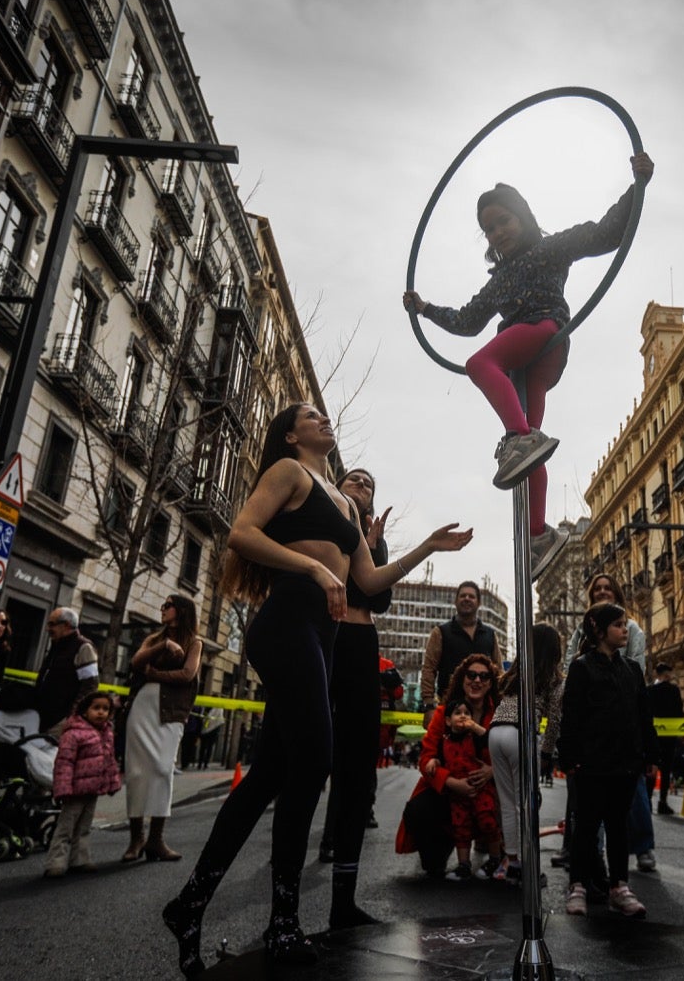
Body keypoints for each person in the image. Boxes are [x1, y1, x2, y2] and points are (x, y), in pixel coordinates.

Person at [162, 402, 470, 974]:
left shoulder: (346, 502)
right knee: (315, 760)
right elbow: (242, 535)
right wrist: (310, 569)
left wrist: (426, 548)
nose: (323, 420)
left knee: (269, 777)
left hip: (321, 640)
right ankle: (282, 920)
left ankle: (191, 903)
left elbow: (369, 581)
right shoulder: (289, 473)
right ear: (289, 433)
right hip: (285, 626)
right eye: (310, 415)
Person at [404, 153, 655, 576]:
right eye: (489, 228)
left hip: (542, 329)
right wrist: (426, 308)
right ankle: (538, 533)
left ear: (522, 216)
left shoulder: (549, 248)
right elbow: (467, 320)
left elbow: (604, 233)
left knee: (480, 364)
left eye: (504, 221)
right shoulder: (497, 281)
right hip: (529, 361)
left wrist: (638, 185)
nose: (497, 232)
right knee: (529, 444)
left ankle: (520, 439)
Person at [319, 467, 392, 926]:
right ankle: (285, 894)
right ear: (336, 484)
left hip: (361, 644)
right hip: (320, 639)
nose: (362, 486)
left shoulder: (373, 538)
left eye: (369, 483)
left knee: (357, 764)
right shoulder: (320, 514)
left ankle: (343, 898)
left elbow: (378, 601)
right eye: (354, 480)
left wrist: (376, 543)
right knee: (306, 756)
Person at [559, 602, 657, 920]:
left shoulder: (632, 670)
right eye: (617, 624)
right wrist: (569, 757)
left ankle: (619, 887)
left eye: (625, 623)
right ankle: (578, 886)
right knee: (586, 826)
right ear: (599, 631)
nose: (624, 629)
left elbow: (644, 715)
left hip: (625, 762)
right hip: (591, 763)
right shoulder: (582, 667)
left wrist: (649, 755)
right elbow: (571, 716)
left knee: (618, 826)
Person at [398, 652, 503, 878]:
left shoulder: (501, 714)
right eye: (471, 675)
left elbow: (513, 755)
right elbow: (425, 759)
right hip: (450, 793)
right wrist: (452, 782)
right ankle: (445, 845)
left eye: (484, 677)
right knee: (419, 813)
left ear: (491, 682)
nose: (477, 680)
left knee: (505, 804)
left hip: (492, 790)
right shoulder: (443, 713)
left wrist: (493, 771)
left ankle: (498, 852)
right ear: (461, 678)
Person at [123, 593, 202, 862]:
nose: (163, 609)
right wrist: (163, 646)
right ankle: (136, 839)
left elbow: (188, 674)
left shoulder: (194, 642)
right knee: (135, 772)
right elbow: (135, 663)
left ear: (180, 610)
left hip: (172, 712)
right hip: (141, 708)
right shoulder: (154, 639)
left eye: (168, 606)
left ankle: (156, 839)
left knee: (161, 768)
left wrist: (156, 674)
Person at [487, 621, 563, 885]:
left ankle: (514, 863)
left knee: (507, 803)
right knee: (526, 805)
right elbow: (554, 721)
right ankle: (530, 868)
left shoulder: (514, 674)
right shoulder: (553, 678)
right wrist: (546, 754)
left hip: (495, 732)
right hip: (521, 734)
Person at [46, 690, 122, 878]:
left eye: (105, 709)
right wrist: (63, 788)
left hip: (92, 790)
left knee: (84, 826)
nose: (101, 712)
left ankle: (80, 860)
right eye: (96, 708)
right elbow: (64, 762)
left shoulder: (106, 733)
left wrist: (112, 783)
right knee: (66, 827)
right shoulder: (74, 733)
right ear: (84, 710)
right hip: (74, 791)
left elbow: (110, 761)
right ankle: (56, 862)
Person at [427, 699, 499, 880]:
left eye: (467, 713)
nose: (463, 716)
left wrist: (474, 726)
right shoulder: (444, 742)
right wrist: (433, 761)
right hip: (458, 796)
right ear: (448, 721)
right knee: (461, 828)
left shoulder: (474, 737)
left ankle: (495, 860)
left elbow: (489, 739)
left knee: (488, 821)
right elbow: (438, 758)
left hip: (480, 790)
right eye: (458, 713)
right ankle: (463, 865)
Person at [419, 581, 498, 710]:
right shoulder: (440, 633)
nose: (467, 599)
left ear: (478, 603)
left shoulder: (490, 635)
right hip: (449, 708)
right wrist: (429, 704)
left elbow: (498, 672)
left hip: (483, 710)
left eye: (471, 596)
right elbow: (429, 669)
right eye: (463, 596)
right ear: (455, 601)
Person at [35, 608, 99, 735]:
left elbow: (90, 685)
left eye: (52, 624)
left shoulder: (83, 647)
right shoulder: (57, 646)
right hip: (43, 715)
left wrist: (72, 715)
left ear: (66, 625)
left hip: (61, 720)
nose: (48, 629)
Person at [646, 662, 684, 815]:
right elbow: (679, 711)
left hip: (653, 735)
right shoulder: (673, 690)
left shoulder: (649, 690)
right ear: (667, 674)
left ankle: (647, 801)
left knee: (651, 767)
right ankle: (662, 801)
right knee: (666, 768)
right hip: (669, 734)